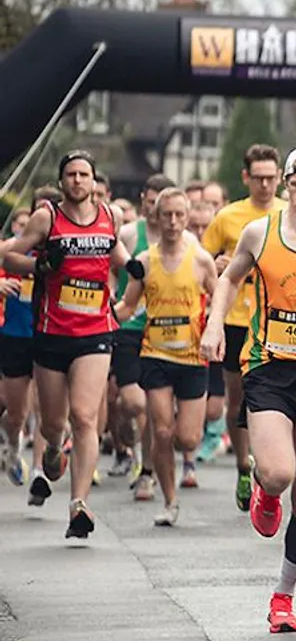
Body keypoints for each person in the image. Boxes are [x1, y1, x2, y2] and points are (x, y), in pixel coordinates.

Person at [202, 146, 296, 633]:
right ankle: (265, 488)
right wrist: (214, 325)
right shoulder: (260, 232)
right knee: (279, 473)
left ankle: (283, 597)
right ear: (287, 185)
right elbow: (228, 280)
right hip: (269, 366)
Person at [0, 151, 128, 537]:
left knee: (86, 417)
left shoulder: (110, 215)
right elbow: (8, 254)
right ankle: (54, 448)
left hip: (95, 331)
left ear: (93, 180)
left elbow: (115, 252)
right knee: (54, 423)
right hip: (52, 332)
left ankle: (79, 505)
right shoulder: (47, 218)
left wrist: (132, 268)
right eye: (71, 174)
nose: (77, 181)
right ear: (61, 182)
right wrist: (39, 266)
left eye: (84, 174)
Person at [112, 187, 216, 526]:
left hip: (191, 357)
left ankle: (173, 470)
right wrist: (104, 314)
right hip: (154, 354)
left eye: (179, 215)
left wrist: (215, 332)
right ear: (156, 217)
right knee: (162, 430)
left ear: (187, 217)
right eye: (166, 215)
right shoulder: (144, 262)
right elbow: (128, 305)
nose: (172, 222)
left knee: (188, 437)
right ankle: (170, 501)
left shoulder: (201, 260)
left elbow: (219, 302)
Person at [202, 144, 287, 512]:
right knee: (237, 399)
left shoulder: (290, 212)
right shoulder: (229, 216)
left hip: (277, 323)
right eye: (259, 178)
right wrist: (219, 263)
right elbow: (201, 259)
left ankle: (274, 467)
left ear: (280, 177)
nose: (265, 185)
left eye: (272, 178)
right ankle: (242, 466)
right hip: (238, 321)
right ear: (246, 178)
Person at [110, 173, 173, 500]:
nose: (154, 209)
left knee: (153, 408)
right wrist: (108, 298)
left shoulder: (181, 240)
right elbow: (106, 266)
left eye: (160, 204)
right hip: (129, 328)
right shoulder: (130, 235)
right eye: (149, 202)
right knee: (132, 402)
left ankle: (147, 471)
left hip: (164, 332)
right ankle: (124, 442)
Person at [1, 205, 40, 487]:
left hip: (51, 335)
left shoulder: (64, 254)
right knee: (17, 412)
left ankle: (40, 469)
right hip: (14, 335)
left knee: (51, 412)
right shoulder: (12, 250)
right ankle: (13, 447)